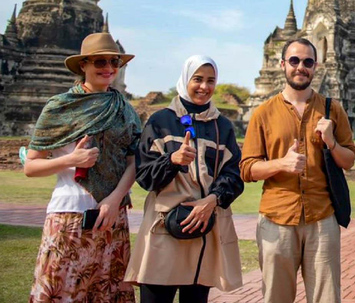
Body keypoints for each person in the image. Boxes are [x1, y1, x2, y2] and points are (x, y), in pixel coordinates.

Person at [24, 32, 141, 302]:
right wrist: (70, 160)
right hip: (68, 214)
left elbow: (134, 159)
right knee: (62, 290)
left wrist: (114, 199)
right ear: (83, 65)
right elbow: (31, 166)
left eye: (114, 62)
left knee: (107, 292)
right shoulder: (60, 107)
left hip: (113, 215)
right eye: (100, 62)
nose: (109, 69)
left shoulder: (124, 108)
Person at [240, 38, 355, 303]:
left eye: (307, 62)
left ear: (315, 66)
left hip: (322, 216)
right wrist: (281, 164)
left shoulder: (332, 109)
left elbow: (349, 159)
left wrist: (331, 142)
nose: (300, 67)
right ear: (282, 64)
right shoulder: (263, 113)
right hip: (277, 216)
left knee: (327, 297)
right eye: (294, 60)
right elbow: (247, 168)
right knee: (276, 297)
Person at [125, 55, 244, 302]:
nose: (204, 87)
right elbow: (145, 176)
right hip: (164, 227)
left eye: (211, 81)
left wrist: (212, 200)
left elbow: (234, 174)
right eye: (197, 79)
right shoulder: (161, 121)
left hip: (204, 227)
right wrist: (172, 161)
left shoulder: (222, 125)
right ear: (185, 79)